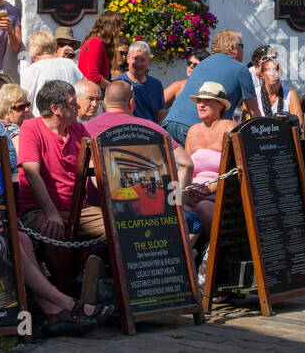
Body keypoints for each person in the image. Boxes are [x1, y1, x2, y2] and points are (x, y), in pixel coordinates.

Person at [17, 79, 105, 280]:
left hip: (77, 208)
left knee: (117, 225)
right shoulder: (32, 128)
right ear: (55, 108)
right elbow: (31, 173)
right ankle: (67, 291)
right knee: (51, 231)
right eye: (73, 102)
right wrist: (51, 213)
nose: (78, 107)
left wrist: (116, 200)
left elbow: (95, 170)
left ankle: (91, 279)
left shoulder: (78, 130)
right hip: (38, 208)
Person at [86, 79, 196, 225]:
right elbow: (186, 164)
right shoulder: (151, 129)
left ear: (105, 101)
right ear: (131, 102)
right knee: (195, 223)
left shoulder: (85, 129)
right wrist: (175, 204)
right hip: (147, 214)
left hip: (98, 209)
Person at [164, 30, 255, 146]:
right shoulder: (240, 69)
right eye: (241, 46)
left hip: (169, 123)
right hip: (194, 128)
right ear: (232, 48)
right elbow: (253, 111)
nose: (243, 50)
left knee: (176, 164)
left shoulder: (203, 63)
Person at [183, 83, 236, 234]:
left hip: (220, 190)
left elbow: (236, 169)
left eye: (207, 101)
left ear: (220, 105)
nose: (201, 105)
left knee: (202, 209)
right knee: (176, 212)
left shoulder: (229, 128)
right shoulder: (193, 130)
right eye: (199, 101)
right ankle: (188, 254)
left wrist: (210, 188)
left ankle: (211, 251)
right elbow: (187, 168)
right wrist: (189, 191)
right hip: (193, 191)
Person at [20, 30, 80, 110]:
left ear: (34, 50)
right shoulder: (71, 64)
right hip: (71, 116)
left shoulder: (34, 69)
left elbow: (25, 98)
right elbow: (82, 90)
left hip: (45, 118)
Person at [117, 41, 167, 124]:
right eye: (135, 58)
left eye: (142, 60)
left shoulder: (156, 85)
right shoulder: (118, 83)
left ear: (148, 61)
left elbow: (161, 116)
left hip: (150, 133)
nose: (139, 64)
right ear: (128, 58)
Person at [0, 81, 31, 170]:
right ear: (7, 109)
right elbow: (26, 165)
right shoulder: (14, 131)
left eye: (27, 105)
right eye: (21, 107)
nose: (26, 109)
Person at [250, 49, 303, 123]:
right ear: (262, 74)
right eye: (268, 70)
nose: (272, 73)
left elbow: (299, 125)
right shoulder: (253, 94)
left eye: (276, 69)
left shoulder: (290, 94)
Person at [77, 13, 122, 93]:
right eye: (118, 28)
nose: (119, 32)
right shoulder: (96, 42)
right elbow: (93, 76)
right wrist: (113, 88)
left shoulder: (94, 41)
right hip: (92, 92)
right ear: (111, 28)